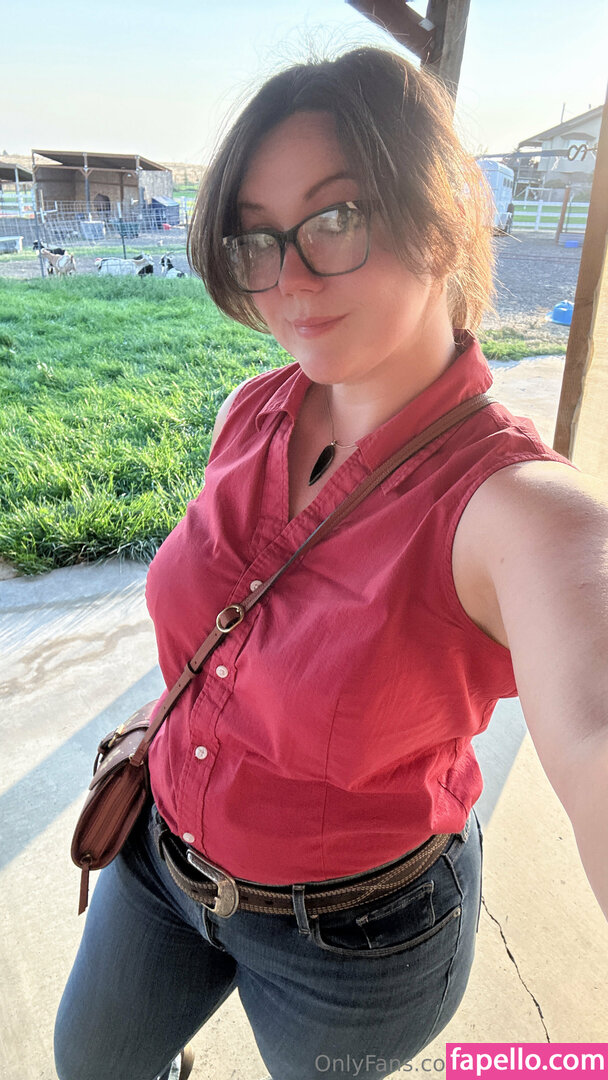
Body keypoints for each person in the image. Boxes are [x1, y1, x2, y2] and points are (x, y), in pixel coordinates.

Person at [54, 46, 608, 1080]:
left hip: (354, 945)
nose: (290, 279)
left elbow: (593, 735)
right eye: (256, 239)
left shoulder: (511, 509)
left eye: (335, 218)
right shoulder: (248, 411)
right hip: (161, 856)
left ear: (440, 213)